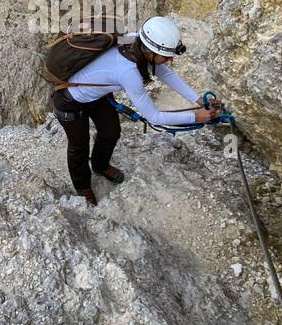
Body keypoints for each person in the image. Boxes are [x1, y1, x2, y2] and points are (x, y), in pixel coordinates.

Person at [51, 16, 219, 205]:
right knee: (78, 147)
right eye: (167, 56)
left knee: (111, 132)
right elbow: (153, 117)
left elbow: (164, 73)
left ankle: (100, 165)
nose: (170, 59)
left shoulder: (135, 40)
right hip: (69, 100)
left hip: (96, 94)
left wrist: (197, 98)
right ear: (151, 52)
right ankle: (82, 186)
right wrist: (196, 116)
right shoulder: (128, 72)